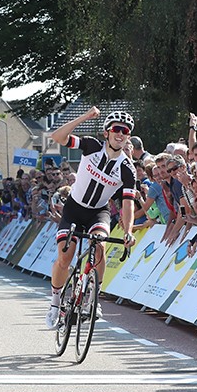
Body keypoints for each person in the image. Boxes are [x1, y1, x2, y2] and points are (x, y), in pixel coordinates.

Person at [44, 107, 137, 330]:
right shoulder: (91, 146)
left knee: (99, 247)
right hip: (74, 208)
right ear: (106, 132)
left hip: (98, 212)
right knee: (65, 256)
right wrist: (85, 117)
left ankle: (94, 294)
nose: (120, 134)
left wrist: (128, 231)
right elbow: (57, 137)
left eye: (125, 131)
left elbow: (128, 203)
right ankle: (56, 301)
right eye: (116, 129)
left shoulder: (127, 169)